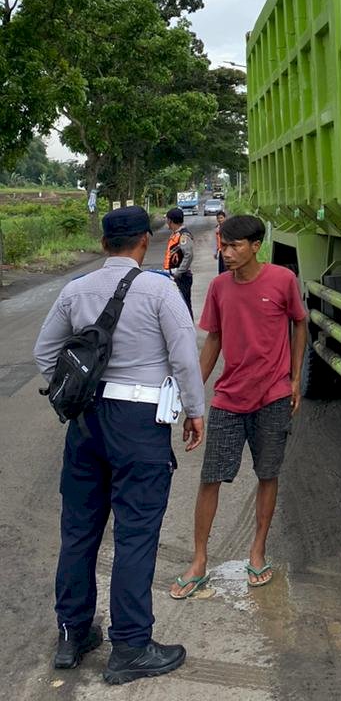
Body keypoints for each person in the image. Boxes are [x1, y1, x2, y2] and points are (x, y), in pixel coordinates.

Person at [34, 206, 206, 685]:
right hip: (139, 425)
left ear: (105, 243)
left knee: (80, 530)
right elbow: (184, 355)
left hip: (86, 421)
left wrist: (70, 392)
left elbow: (45, 354)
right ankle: (130, 645)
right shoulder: (159, 289)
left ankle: (72, 634)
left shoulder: (75, 291)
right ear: (142, 243)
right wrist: (194, 410)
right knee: (135, 534)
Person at [170, 214, 307, 598]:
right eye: (223, 246)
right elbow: (213, 341)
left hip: (273, 398)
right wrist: (192, 397)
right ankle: (199, 560)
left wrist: (295, 377)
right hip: (230, 399)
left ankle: (258, 551)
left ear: (255, 246)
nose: (226, 253)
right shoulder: (218, 288)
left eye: (234, 246)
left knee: (268, 473)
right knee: (210, 477)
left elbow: (300, 323)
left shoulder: (283, 281)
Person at [163, 207, 195, 317]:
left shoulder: (183, 236)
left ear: (171, 221)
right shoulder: (175, 234)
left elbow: (188, 255)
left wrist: (179, 272)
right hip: (174, 275)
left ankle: (189, 330)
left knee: (184, 304)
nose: (166, 222)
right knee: (177, 305)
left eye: (167, 219)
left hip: (181, 276)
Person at [214, 209, 227, 274]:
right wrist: (216, 252)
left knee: (226, 269)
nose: (220, 220)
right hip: (220, 251)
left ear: (225, 218)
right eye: (218, 218)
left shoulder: (228, 228)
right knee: (221, 270)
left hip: (227, 251)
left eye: (221, 218)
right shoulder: (217, 228)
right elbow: (216, 241)